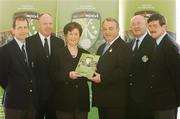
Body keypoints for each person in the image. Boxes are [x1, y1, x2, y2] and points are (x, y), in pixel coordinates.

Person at [90, 17, 131, 119]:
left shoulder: (124, 47)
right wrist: (91, 70)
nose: (107, 31)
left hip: (116, 102)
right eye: (105, 29)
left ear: (118, 29)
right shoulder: (101, 47)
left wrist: (102, 78)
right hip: (103, 100)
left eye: (111, 28)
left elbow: (123, 71)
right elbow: (99, 67)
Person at [26, 13, 64, 119]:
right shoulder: (29, 42)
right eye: (45, 23)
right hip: (35, 97)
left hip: (55, 96)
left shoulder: (59, 43)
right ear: (39, 24)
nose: (48, 26)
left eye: (50, 23)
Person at [0, 15, 38, 119]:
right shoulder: (5, 50)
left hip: (31, 104)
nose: (23, 30)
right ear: (13, 30)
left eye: (25, 27)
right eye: (19, 27)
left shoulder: (31, 48)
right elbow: (2, 78)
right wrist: (15, 88)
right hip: (14, 104)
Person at [50, 22, 90, 119]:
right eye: (70, 34)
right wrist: (68, 75)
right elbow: (52, 75)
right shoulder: (57, 54)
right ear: (65, 36)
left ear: (79, 36)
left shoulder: (86, 54)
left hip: (81, 102)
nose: (73, 37)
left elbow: (88, 77)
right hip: (63, 102)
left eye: (76, 34)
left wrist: (91, 71)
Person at [147, 13, 180, 119]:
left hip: (167, 104)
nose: (152, 29)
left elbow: (177, 76)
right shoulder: (156, 43)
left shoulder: (170, 46)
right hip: (157, 102)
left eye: (155, 26)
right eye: (150, 26)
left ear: (164, 27)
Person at [127, 15, 156, 119]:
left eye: (139, 23)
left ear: (146, 25)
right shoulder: (129, 45)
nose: (136, 26)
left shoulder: (154, 43)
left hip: (147, 100)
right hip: (129, 99)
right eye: (133, 24)